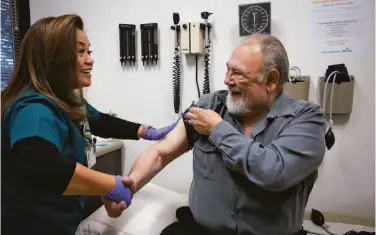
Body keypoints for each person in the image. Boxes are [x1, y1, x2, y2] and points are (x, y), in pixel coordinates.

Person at [115, 33, 327, 235]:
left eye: (238, 73)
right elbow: (162, 151)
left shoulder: (306, 119)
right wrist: (132, 183)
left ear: (271, 80)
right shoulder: (210, 107)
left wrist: (218, 130)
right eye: (227, 70)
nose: (227, 80)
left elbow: (275, 172)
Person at [1, 14, 177, 235]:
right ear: (53, 58)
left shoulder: (67, 100)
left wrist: (147, 131)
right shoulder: (34, 108)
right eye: (80, 52)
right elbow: (39, 163)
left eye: (89, 51)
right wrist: (109, 185)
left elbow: (100, 121)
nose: (90, 60)